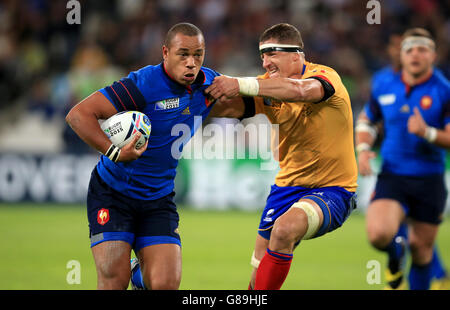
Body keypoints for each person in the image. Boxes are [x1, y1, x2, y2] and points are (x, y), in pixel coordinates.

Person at [65, 23, 220, 290]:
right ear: (165, 52)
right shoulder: (142, 85)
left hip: (158, 198)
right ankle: (131, 274)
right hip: (113, 193)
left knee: (165, 284)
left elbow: (249, 101)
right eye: (183, 54)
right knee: (114, 280)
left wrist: (242, 85)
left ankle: (140, 275)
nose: (191, 63)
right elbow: (78, 115)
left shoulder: (208, 86)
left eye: (198, 54)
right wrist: (115, 152)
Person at [206, 23, 358, 290]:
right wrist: (187, 101)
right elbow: (227, 109)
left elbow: (300, 91)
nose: (265, 63)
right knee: (257, 279)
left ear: (296, 54)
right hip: (285, 188)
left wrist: (239, 82)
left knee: (285, 229)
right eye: (262, 55)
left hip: (333, 190)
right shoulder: (266, 87)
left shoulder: (325, 77)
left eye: (271, 53)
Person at [355, 28, 450, 290]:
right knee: (378, 235)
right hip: (393, 175)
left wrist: (428, 133)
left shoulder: (444, 90)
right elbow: (367, 120)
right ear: (402, 54)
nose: (415, 54)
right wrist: (363, 149)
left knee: (422, 251)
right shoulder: (384, 83)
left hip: (429, 180)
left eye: (422, 49)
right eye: (410, 49)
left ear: (433, 55)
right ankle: (395, 260)